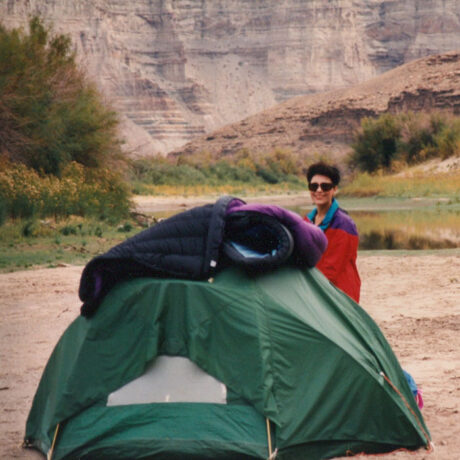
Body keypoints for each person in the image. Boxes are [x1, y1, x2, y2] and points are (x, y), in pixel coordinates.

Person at [304, 162, 361, 302]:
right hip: (316, 292)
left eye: (325, 186)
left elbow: (331, 269)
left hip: (340, 297)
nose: (319, 190)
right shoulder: (306, 221)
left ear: (334, 189)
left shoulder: (344, 224)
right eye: (314, 186)